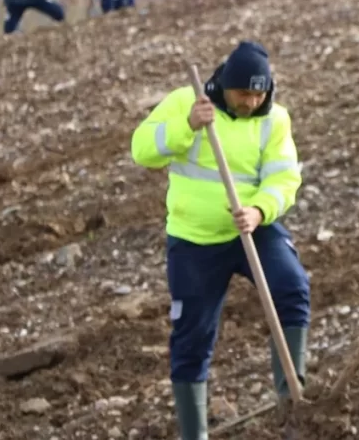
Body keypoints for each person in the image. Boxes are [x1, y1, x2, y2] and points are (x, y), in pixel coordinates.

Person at [130, 41, 310, 440]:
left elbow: (285, 178)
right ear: (224, 87)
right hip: (194, 241)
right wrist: (186, 126)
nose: (251, 102)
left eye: (260, 93)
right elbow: (141, 150)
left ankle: (292, 402)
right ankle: (194, 433)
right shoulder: (185, 103)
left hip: (253, 229)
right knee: (192, 335)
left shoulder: (274, 120)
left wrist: (260, 210)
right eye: (244, 93)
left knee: (292, 287)